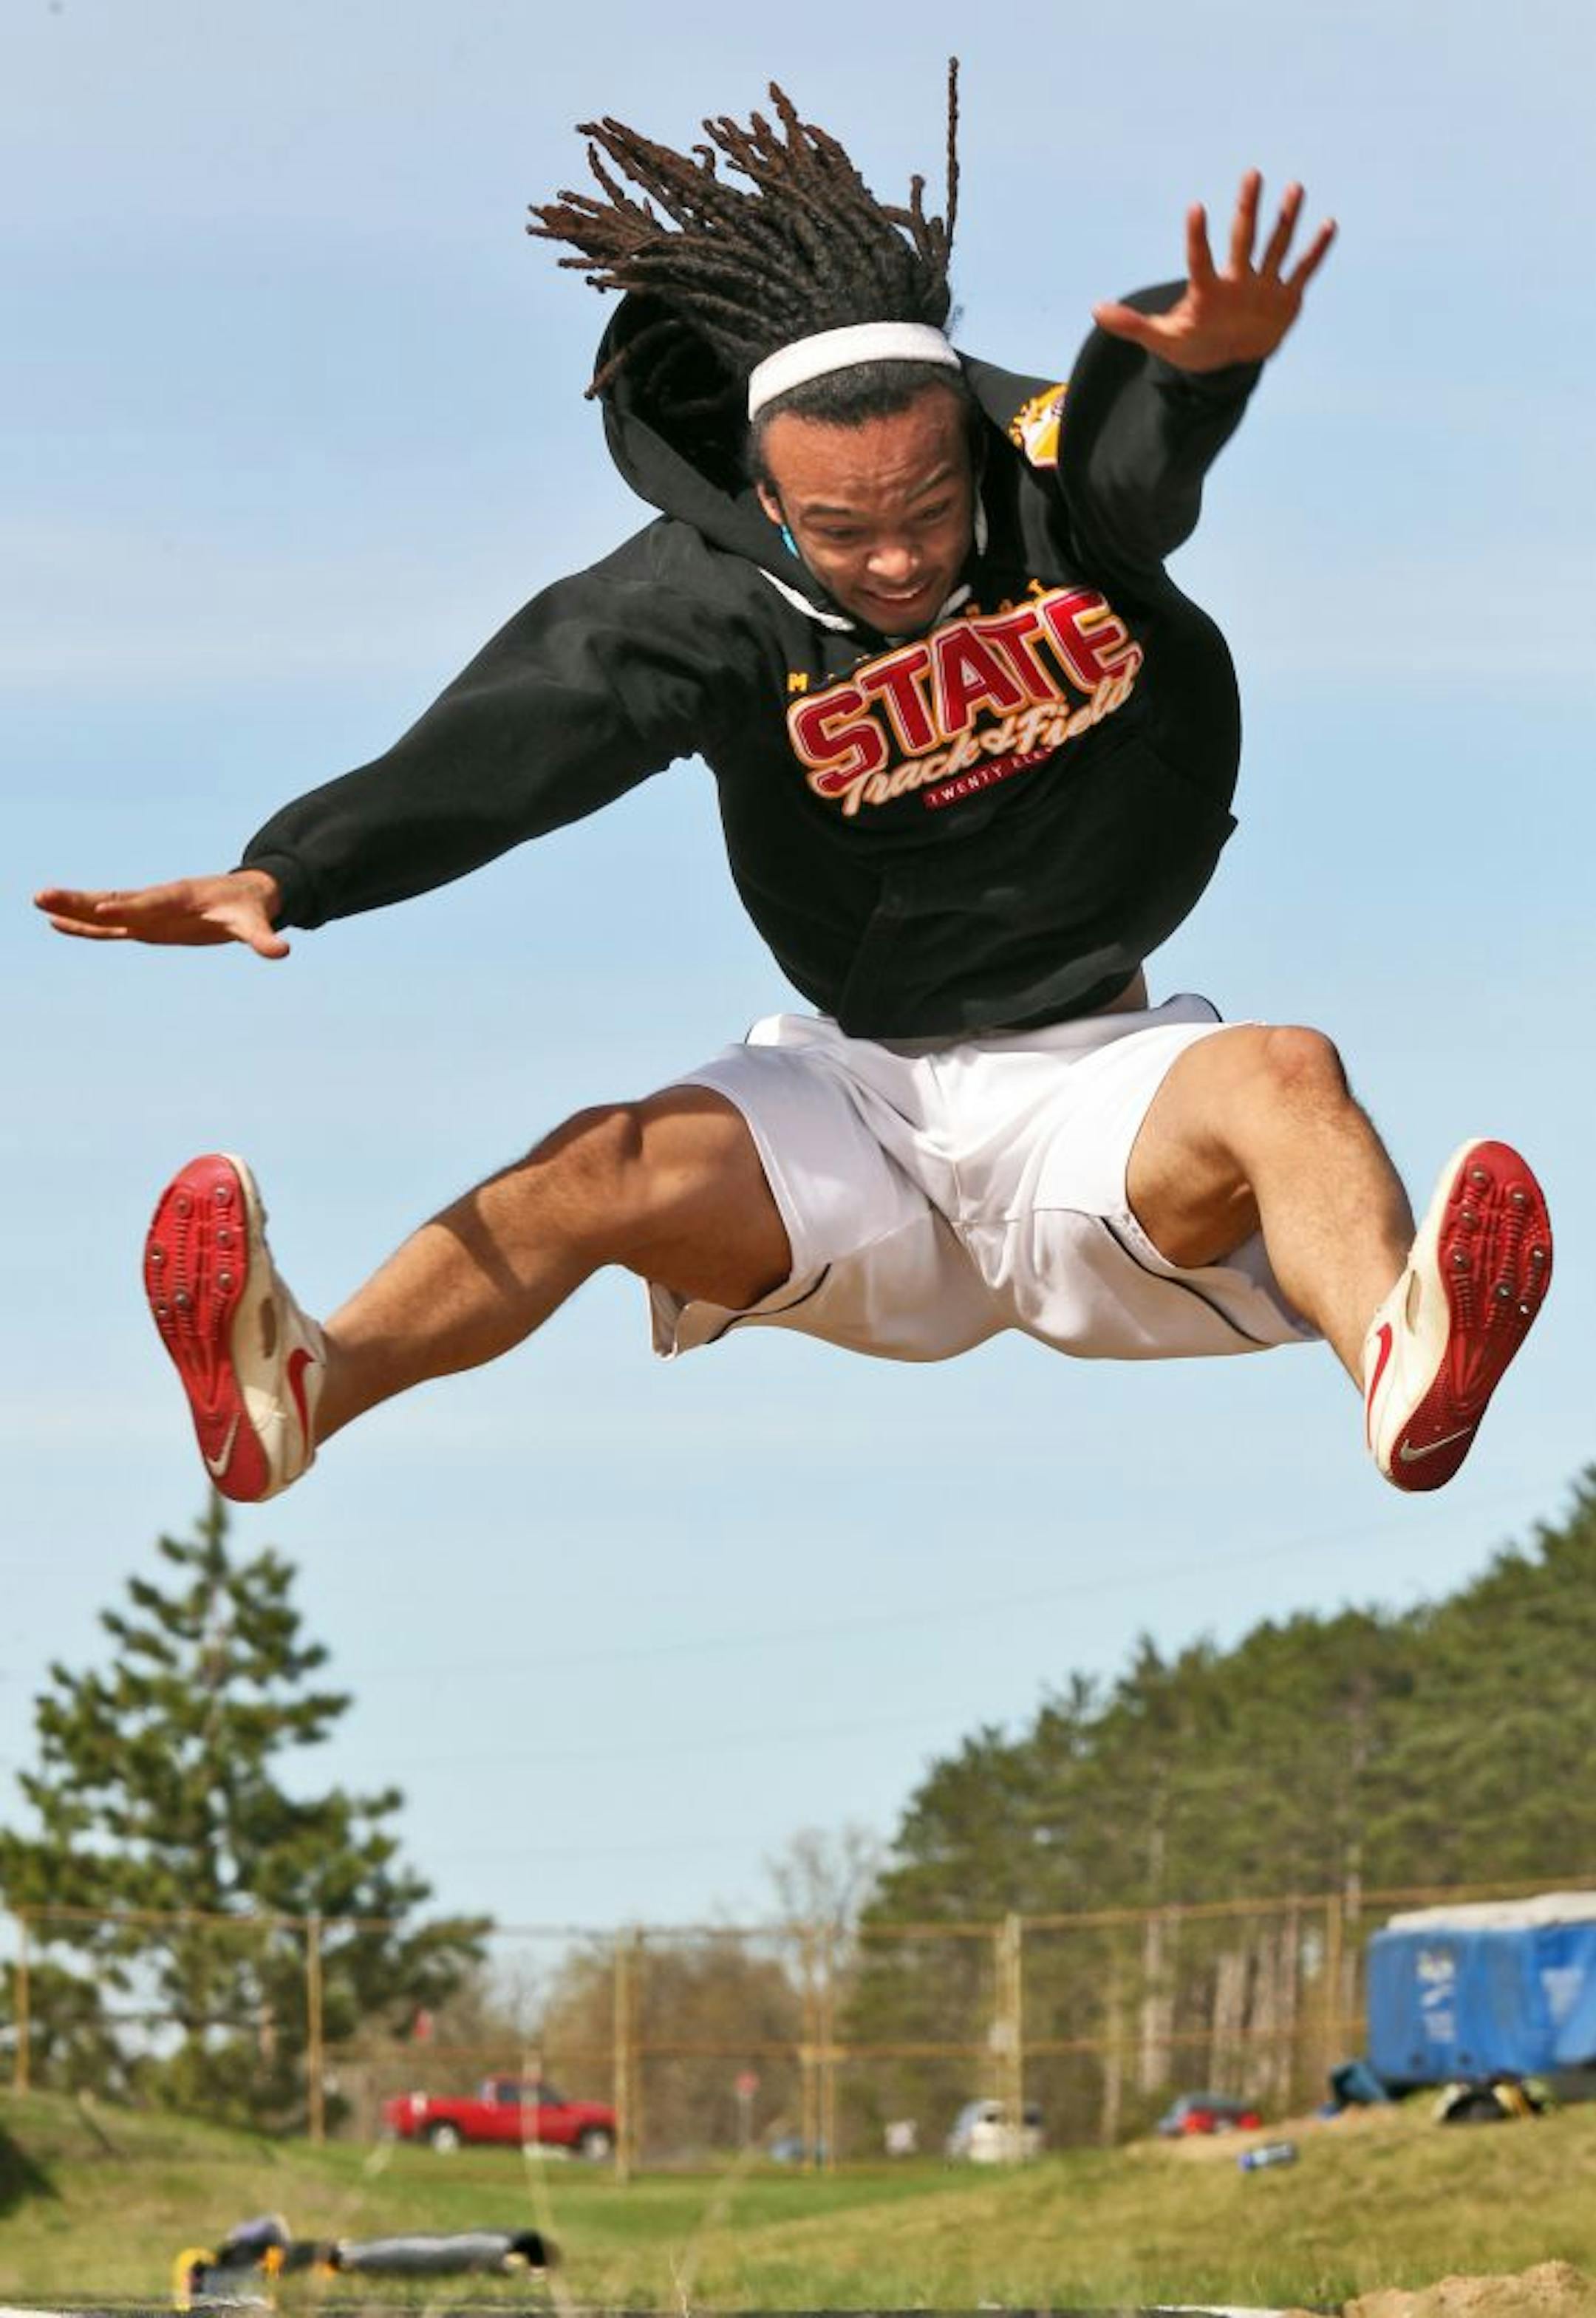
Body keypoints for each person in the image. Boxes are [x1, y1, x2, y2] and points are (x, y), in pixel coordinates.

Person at [36, 72, 1551, 1507]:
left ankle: (1401, 1360)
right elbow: (512, 743)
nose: (896, 559)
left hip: (1100, 1093)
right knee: (598, 1163)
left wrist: (1199, 364)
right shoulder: (697, 603)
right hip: (859, 1110)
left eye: (927, 510)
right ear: (764, 498)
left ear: (964, 447)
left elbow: (1132, 458)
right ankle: (304, 1390)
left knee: (1287, 1074)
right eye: (840, 531)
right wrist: (291, 870)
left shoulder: (1047, 487)